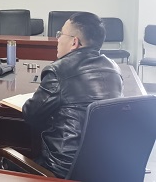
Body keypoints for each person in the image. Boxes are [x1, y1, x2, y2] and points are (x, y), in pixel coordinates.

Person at [20, 12, 123, 178]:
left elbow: (31, 114)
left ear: (74, 42)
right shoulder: (114, 69)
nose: (58, 39)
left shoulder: (58, 70)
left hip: (61, 171)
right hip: (102, 170)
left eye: (60, 34)